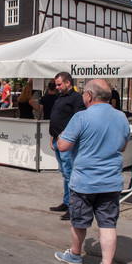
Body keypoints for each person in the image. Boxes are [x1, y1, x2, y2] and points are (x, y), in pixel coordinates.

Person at [53, 79, 130, 264]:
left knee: (79, 222)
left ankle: (75, 255)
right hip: (111, 181)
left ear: (89, 95)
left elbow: (63, 146)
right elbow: (122, 147)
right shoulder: (121, 117)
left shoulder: (81, 117)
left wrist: (61, 137)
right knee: (108, 224)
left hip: (85, 181)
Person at [49, 72, 86, 219]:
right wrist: (52, 136)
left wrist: (64, 135)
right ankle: (66, 201)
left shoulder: (76, 98)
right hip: (57, 141)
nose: (57, 87)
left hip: (67, 142)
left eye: (59, 84)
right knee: (64, 174)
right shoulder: (61, 97)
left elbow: (77, 119)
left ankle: (73, 207)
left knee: (70, 175)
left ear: (68, 83)